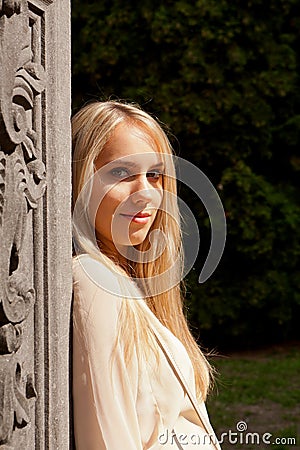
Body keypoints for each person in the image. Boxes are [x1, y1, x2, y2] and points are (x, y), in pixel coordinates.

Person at [71, 100, 221, 450]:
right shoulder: (94, 281)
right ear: (80, 181)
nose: (146, 194)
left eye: (154, 175)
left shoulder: (128, 285)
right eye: (121, 173)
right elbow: (106, 439)